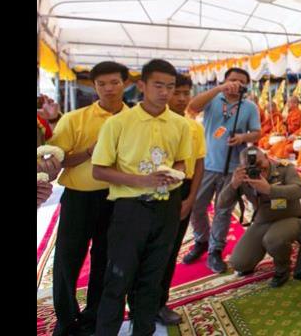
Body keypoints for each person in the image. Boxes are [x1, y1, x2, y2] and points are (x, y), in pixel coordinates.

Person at [91, 59, 191, 336]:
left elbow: (182, 162)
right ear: (141, 85)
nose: (165, 92)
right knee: (118, 278)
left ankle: (143, 330)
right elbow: (99, 170)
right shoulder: (119, 123)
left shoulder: (180, 125)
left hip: (166, 208)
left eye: (170, 87)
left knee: (152, 278)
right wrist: (141, 181)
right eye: (158, 85)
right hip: (130, 208)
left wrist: (176, 174)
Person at [47, 61, 130, 336]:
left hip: (116, 198)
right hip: (79, 198)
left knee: (106, 259)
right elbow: (57, 160)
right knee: (67, 259)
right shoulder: (74, 118)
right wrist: (89, 152)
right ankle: (67, 318)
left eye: (114, 82)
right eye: (102, 83)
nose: (108, 88)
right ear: (94, 86)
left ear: (125, 84)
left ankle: (96, 316)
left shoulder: (135, 120)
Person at [183, 68, 261, 273]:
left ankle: (215, 250)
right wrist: (219, 88)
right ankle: (201, 240)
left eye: (241, 82)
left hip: (233, 167)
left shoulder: (250, 107)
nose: (236, 84)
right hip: (206, 164)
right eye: (232, 80)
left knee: (223, 210)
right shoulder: (213, 99)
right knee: (196, 206)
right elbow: (192, 107)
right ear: (225, 81)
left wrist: (243, 138)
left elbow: (257, 133)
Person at [156, 74, 206, 326]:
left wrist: (191, 198)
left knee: (171, 248)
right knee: (146, 249)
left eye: (186, 93)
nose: (182, 98)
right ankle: (138, 299)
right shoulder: (152, 123)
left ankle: (159, 302)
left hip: (182, 188)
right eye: (177, 92)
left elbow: (198, 165)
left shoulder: (194, 126)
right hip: (151, 186)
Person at [218, 148, 301, 288]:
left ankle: (282, 268)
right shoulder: (244, 176)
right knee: (239, 263)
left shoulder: (284, 168)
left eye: (260, 163)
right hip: (263, 221)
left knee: (273, 240)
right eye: (252, 167)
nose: (258, 169)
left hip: (289, 217)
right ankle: (253, 257)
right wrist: (233, 185)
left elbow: (299, 190)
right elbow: (221, 203)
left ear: (266, 156)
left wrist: (270, 190)